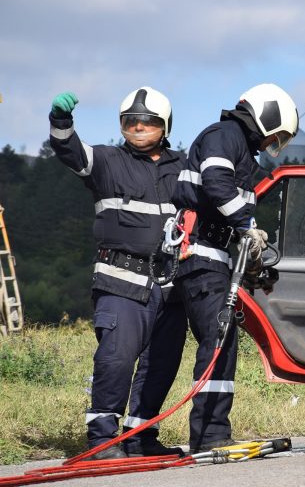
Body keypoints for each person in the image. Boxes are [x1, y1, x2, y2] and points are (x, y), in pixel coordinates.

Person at [48, 87, 188, 459]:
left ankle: (141, 437)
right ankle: (103, 440)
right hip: (120, 281)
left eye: (148, 121)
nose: (139, 126)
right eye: (130, 121)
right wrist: (61, 122)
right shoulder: (107, 160)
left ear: (165, 126)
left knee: (162, 362)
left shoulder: (182, 167)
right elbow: (69, 151)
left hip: (171, 286)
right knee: (116, 358)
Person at [171, 83, 298, 453]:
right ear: (265, 115)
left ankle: (207, 431)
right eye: (275, 135)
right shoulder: (223, 135)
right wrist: (245, 225)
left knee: (220, 342)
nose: (272, 143)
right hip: (200, 257)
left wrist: (254, 257)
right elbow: (215, 183)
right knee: (217, 341)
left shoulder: (243, 153)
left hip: (214, 259)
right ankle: (209, 435)